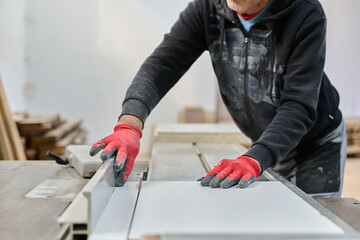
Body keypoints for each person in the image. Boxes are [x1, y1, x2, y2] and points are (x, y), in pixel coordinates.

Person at [90, 0, 346, 198]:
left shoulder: (305, 14)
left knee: (312, 226)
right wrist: (130, 123)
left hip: (316, 145)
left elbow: (298, 105)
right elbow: (163, 65)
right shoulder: (209, 8)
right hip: (267, 142)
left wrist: (256, 157)